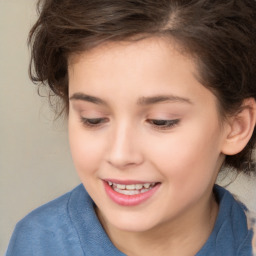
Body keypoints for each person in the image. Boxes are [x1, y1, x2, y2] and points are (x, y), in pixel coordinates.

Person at [5, 0, 256, 255]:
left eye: (161, 121)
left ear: (236, 126)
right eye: (93, 119)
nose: (120, 155)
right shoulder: (37, 243)